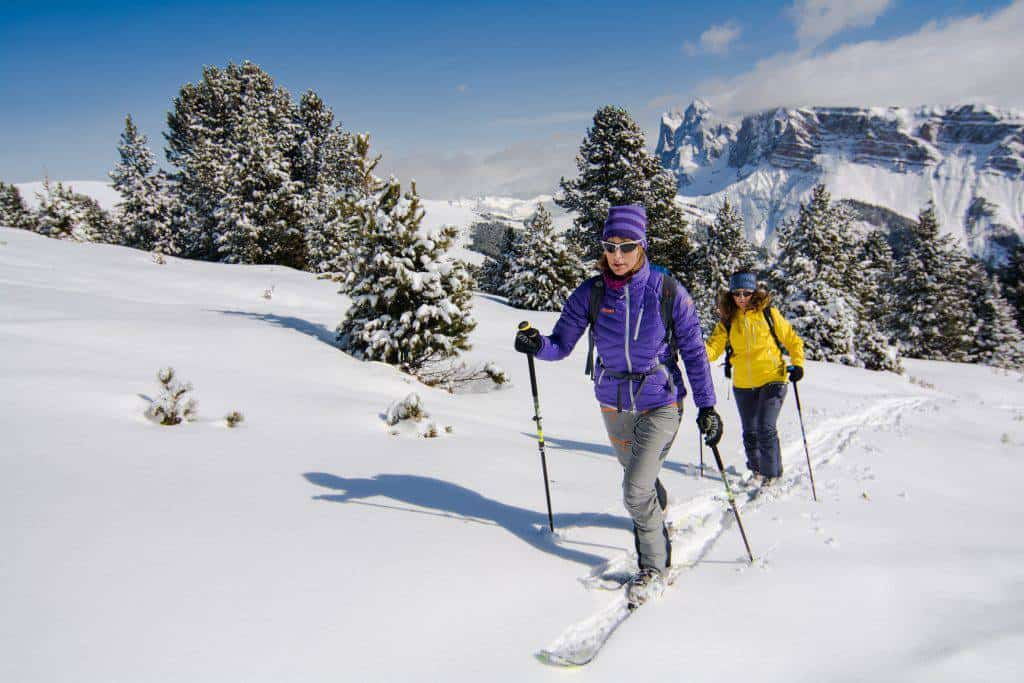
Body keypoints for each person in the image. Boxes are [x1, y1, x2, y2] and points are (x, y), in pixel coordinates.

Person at [513, 204, 721, 607]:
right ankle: (658, 516)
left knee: (634, 489)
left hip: (661, 401)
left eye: (627, 246)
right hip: (612, 403)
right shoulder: (591, 294)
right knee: (638, 480)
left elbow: (695, 352)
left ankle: (655, 568)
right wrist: (538, 345)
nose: (618, 255)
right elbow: (560, 345)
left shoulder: (667, 291)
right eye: (610, 246)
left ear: (642, 246)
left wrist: (707, 406)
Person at [705, 270, 805, 486]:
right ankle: (758, 471)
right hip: (743, 383)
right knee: (750, 431)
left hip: (773, 378)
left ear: (754, 292)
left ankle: (772, 475)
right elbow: (713, 348)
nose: (741, 298)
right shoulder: (728, 320)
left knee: (764, 427)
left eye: (746, 293)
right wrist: (694, 351)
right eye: (737, 293)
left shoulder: (768, 313)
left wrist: (797, 363)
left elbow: (792, 339)